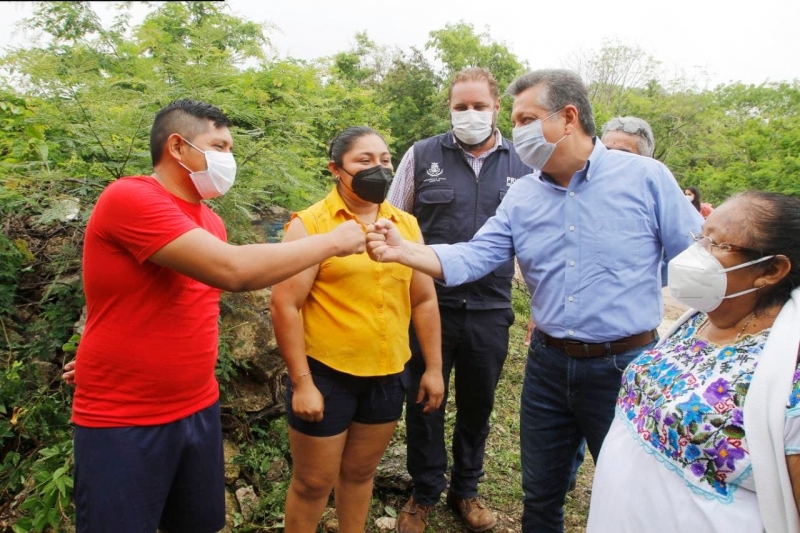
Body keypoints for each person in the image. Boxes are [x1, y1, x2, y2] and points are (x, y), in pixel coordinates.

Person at [365, 69, 704, 532]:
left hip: (623, 367)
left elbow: (697, 264)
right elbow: (475, 255)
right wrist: (404, 251)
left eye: (527, 118)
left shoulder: (645, 179)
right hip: (547, 366)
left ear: (568, 118)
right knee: (541, 496)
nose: (517, 129)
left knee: (629, 494)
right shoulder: (523, 194)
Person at [63, 99, 367, 533]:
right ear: (178, 146)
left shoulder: (210, 221)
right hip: (124, 418)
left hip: (197, 408)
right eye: (219, 145)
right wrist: (332, 242)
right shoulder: (130, 196)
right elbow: (234, 270)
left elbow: (173, 307)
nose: (229, 158)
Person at [587, 191, 800, 532]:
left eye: (717, 244)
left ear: (772, 269)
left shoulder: (788, 373)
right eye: (700, 236)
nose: (697, 252)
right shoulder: (697, 320)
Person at [268, 126, 444, 532]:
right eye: (364, 161)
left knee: (360, 475)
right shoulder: (311, 224)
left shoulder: (405, 225)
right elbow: (285, 304)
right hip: (327, 376)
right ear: (336, 169)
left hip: (386, 376)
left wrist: (432, 367)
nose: (378, 169)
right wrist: (303, 383)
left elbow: (423, 300)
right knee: (313, 483)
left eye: (384, 160)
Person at [387, 67, 531, 533]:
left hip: (490, 307)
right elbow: (393, 222)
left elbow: (537, 240)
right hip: (429, 306)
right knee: (425, 400)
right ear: (448, 108)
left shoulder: (524, 164)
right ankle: (424, 492)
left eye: (479, 106)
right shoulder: (421, 155)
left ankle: (466, 490)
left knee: (478, 403)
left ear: (495, 108)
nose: (469, 114)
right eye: (460, 106)